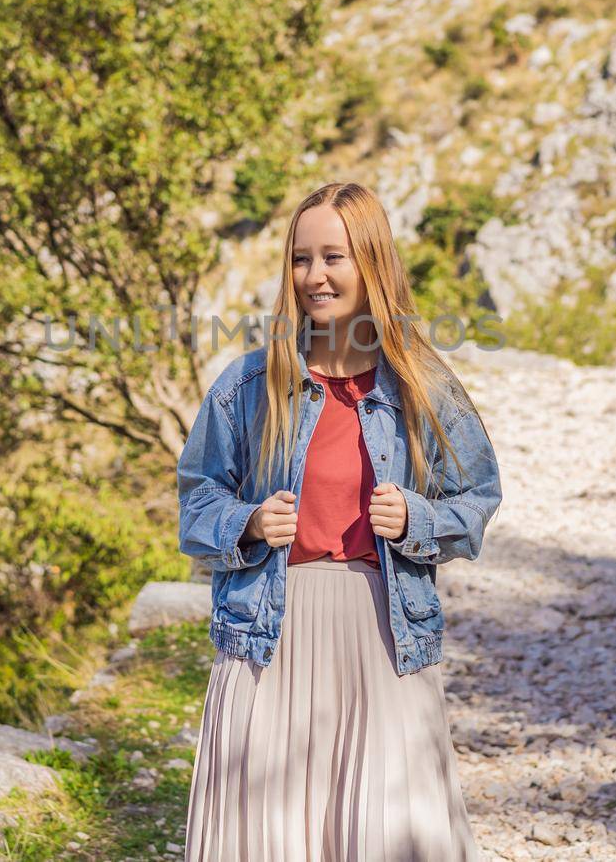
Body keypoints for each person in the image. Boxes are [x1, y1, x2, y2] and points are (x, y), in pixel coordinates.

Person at [177, 181, 502, 860]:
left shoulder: (422, 387)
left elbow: (476, 498)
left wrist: (416, 516)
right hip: (270, 638)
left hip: (379, 639)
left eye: (334, 256)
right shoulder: (248, 385)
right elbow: (196, 498)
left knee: (383, 834)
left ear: (372, 263)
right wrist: (247, 522)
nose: (314, 276)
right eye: (301, 259)